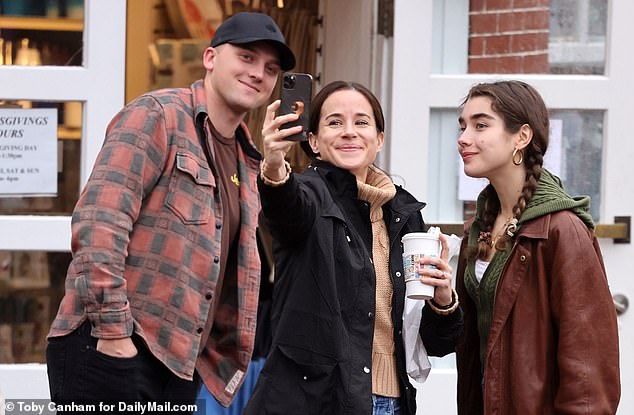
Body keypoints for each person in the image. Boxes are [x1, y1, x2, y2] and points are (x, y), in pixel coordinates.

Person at [45, 12, 295, 410]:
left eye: (270, 68)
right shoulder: (158, 115)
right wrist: (114, 334)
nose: (258, 73)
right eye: (246, 58)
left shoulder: (247, 158)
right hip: (112, 346)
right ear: (211, 58)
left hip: (178, 363)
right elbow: (99, 223)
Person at [243, 81, 463, 415]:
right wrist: (273, 164)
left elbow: (437, 344)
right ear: (313, 141)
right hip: (317, 402)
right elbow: (285, 208)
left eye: (361, 122)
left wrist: (444, 299)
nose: (349, 132)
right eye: (334, 122)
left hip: (394, 402)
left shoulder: (404, 216)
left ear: (379, 139)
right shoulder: (308, 195)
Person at [454, 80, 620, 414]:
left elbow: (590, 373)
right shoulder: (479, 226)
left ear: (522, 137)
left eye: (480, 125)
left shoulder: (561, 230)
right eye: (462, 126)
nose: (463, 138)